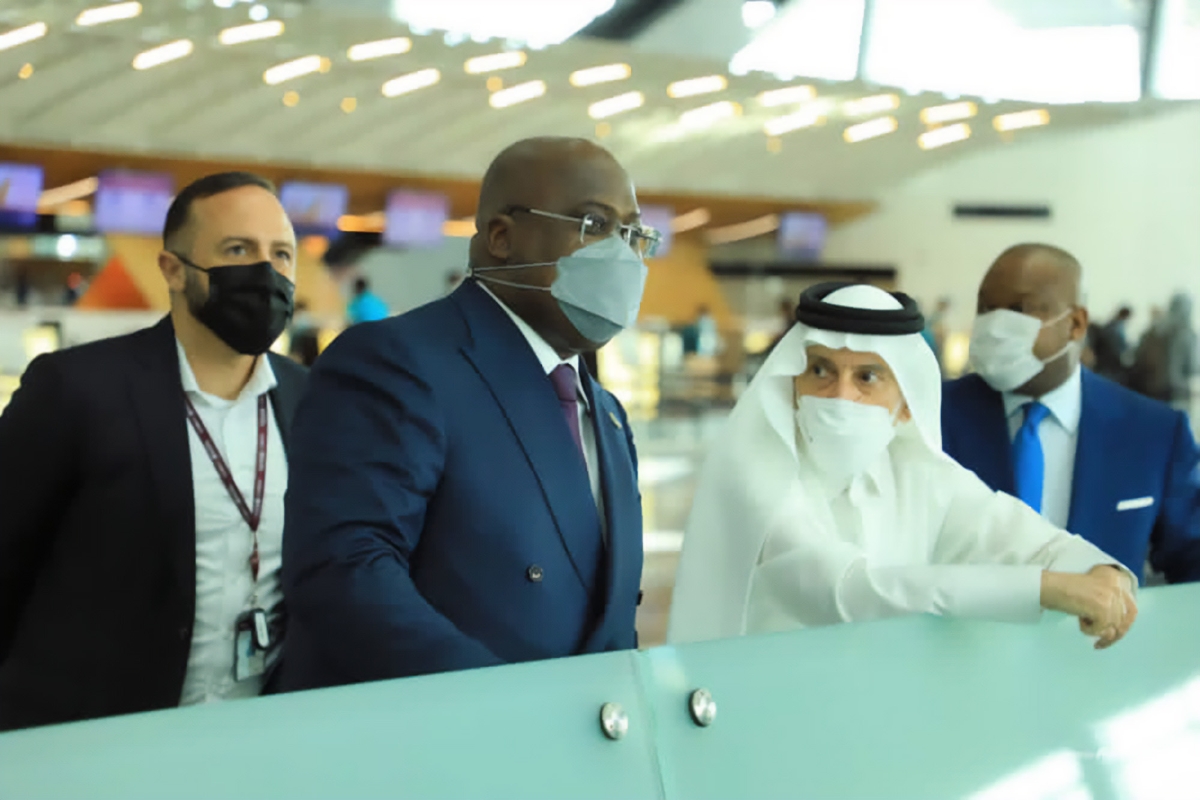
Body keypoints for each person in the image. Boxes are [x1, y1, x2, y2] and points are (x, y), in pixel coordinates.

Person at [280, 137, 655, 690]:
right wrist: (496, 706)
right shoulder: (398, 364)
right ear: (502, 237)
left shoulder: (606, 413)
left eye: (633, 233)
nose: (622, 254)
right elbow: (347, 572)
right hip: (447, 744)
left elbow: (609, 614)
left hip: (582, 748)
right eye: (594, 224)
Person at [0, 172, 307, 731]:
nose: (265, 272)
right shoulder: (78, 389)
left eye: (281, 253)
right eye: (237, 250)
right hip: (93, 737)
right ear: (172, 269)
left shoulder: (313, 400)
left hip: (259, 733)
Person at [669, 282, 1137, 647]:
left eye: (867, 377)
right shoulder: (759, 474)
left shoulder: (917, 471)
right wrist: (1042, 589)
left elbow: (1023, 537)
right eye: (821, 371)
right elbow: (847, 591)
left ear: (907, 404)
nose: (840, 396)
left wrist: (1101, 573)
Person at [943, 244, 1200, 584]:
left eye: (1019, 309)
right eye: (986, 308)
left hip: (1098, 636)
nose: (994, 325)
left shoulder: (1155, 433)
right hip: (959, 633)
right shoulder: (932, 413)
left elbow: (1191, 558)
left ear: (1076, 324)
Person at [1088, 305, 1132, 383]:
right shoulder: (1117, 329)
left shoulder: (1110, 325)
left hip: (1102, 364)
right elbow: (1120, 349)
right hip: (1110, 367)